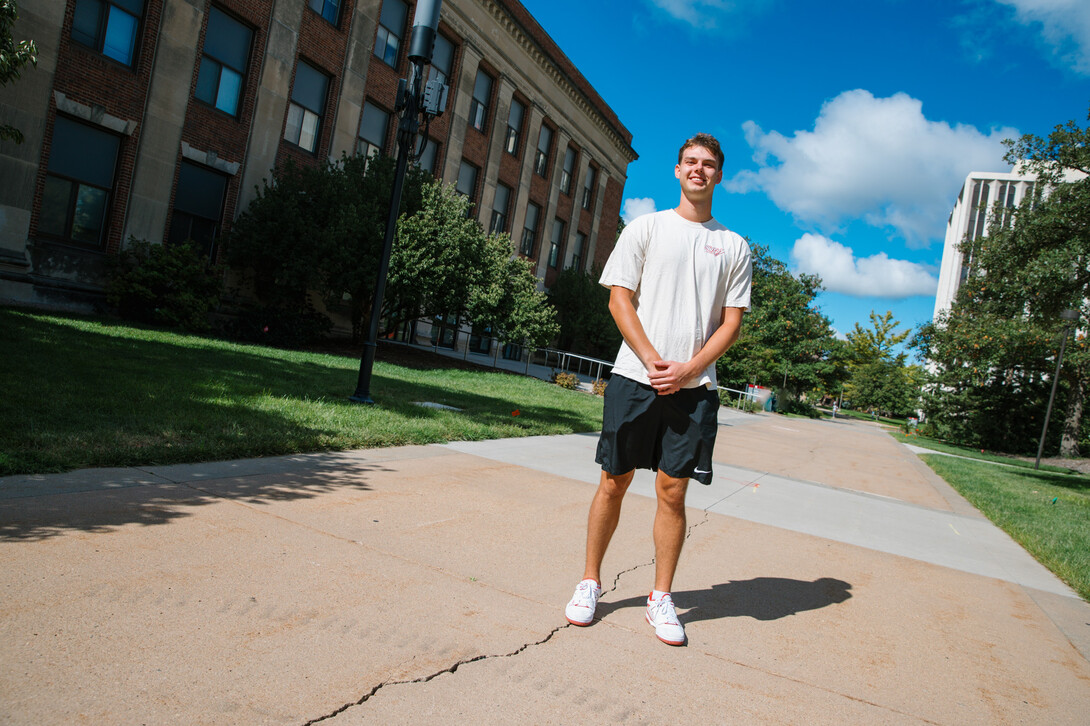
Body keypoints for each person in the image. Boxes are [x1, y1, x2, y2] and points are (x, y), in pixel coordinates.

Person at [564, 133, 752, 646]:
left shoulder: (733, 246)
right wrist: (651, 359)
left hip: (694, 388)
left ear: (719, 175)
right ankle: (589, 582)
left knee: (673, 491)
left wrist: (690, 368)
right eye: (690, 162)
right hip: (634, 377)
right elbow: (619, 300)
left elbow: (731, 323)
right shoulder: (646, 227)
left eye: (708, 164)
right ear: (676, 170)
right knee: (614, 480)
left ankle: (660, 598)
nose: (699, 170)